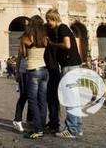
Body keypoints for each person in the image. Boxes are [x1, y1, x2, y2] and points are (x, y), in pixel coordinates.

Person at [46, 8, 83, 139]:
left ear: (53, 18)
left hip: (69, 67)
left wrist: (53, 44)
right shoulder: (64, 29)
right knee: (75, 99)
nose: (48, 22)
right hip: (73, 66)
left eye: (48, 20)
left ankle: (71, 129)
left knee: (70, 99)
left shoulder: (62, 28)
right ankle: (77, 128)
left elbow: (67, 45)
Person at [21, 15, 48, 139]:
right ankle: (41, 127)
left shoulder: (26, 38)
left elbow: (24, 55)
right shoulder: (45, 38)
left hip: (33, 70)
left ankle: (37, 129)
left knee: (32, 101)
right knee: (42, 101)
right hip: (45, 71)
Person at [44, 22, 61, 134]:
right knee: (51, 98)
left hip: (53, 69)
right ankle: (53, 121)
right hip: (52, 69)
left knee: (52, 98)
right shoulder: (53, 41)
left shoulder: (51, 42)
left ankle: (54, 123)